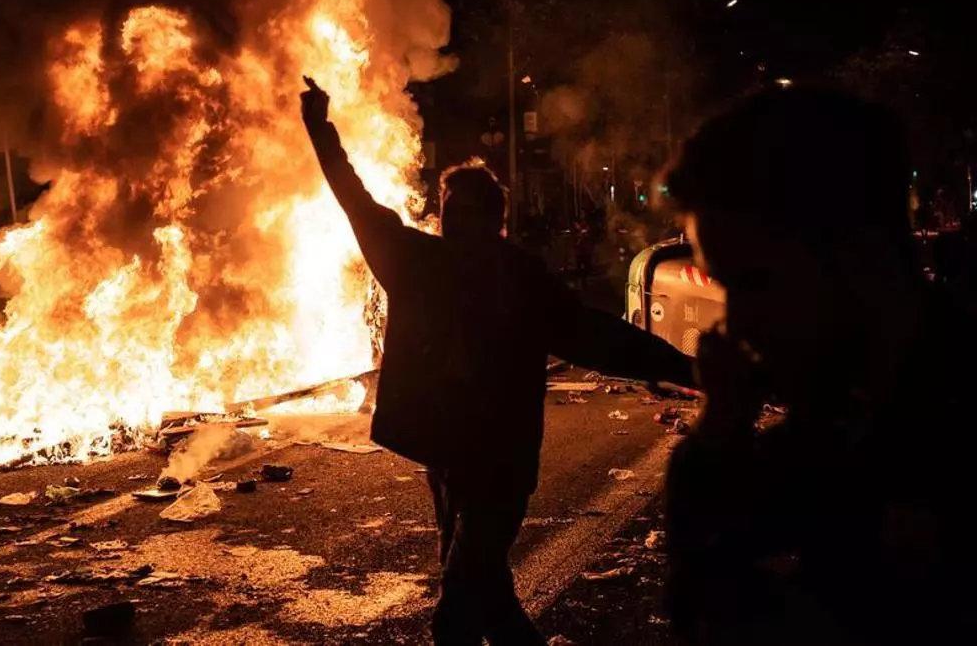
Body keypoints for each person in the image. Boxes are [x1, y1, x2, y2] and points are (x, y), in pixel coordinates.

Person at [300, 77, 696, 645]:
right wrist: (320, 129)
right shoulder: (431, 264)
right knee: (487, 591)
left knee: (459, 606)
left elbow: (601, 337)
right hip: (455, 457)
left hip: (495, 464)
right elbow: (354, 199)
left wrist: (686, 370)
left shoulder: (479, 274)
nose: (456, 223)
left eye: (465, 214)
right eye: (452, 212)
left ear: (492, 221)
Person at [662, 87, 977, 644]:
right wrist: (720, 424)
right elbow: (702, 584)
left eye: (757, 283)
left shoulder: (941, 418)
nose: (738, 326)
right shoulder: (841, 415)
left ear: (859, 254)